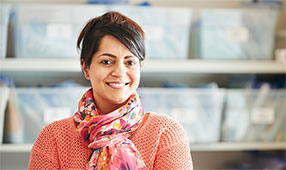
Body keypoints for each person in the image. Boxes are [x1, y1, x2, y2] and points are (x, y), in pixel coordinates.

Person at [28, 11, 193, 170]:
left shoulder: (165, 133)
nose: (120, 73)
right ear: (86, 68)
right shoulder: (53, 137)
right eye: (106, 61)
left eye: (130, 62)